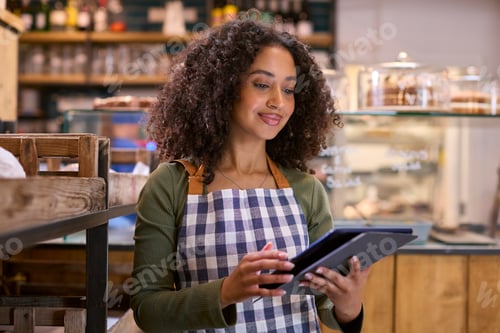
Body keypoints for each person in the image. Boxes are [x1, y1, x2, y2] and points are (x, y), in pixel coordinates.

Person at [131, 13, 369, 333]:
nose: (278, 102)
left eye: (288, 90)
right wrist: (226, 292)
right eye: (262, 84)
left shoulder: (306, 189)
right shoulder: (170, 185)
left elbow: (322, 305)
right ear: (224, 88)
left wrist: (349, 306)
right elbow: (147, 308)